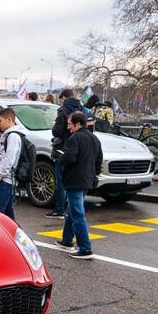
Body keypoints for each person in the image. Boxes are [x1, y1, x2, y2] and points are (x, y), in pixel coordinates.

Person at [54, 111, 103, 259]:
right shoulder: (94, 138)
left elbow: (70, 157)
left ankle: (85, 248)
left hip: (75, 179)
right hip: (87, 179)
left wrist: (59, 158)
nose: (68, 127)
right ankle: (67, 240)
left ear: (77, 124)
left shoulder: (74, 138)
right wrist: (94, 175)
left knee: (77, 213)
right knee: (72, 210)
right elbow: (98, 159)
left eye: (70, 124)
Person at [47, 88, 82, 219]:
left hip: (62, 147)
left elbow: (57, 132)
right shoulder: (79, 109)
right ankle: (70, 209)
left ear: (63, 98)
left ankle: (59, 210)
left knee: (60, 181)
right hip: (75, 148)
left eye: (61, 99)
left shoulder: (63, 110)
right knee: (69, 180)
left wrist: (55, 125)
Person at [0, 108, 26, 220]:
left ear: (9, 119)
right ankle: (17, 235)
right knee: (8, 215)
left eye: (0, 121)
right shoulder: (6, 135)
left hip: (6, 180)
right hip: (5, 180)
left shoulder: (13, 137)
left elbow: (9, 160)